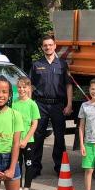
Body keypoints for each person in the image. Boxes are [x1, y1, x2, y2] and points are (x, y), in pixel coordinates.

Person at [29, 33, 73, 178]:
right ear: (42, 48)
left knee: (59, 137)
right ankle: (35, 168)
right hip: (40, 104)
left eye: (50, 45)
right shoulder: (37, 65)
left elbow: (68, 86)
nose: (48, 47)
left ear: (55, 46)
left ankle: (60, 167)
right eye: (45, 45)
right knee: (37, 136)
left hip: (58, 105)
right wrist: (30, 106)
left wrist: (69, 104)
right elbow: (30, 87)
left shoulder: (62, 64)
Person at [12, 76, 40, 190]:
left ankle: (26, 189)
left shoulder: (32, 104)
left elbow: (34, 124)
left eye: (24, 87)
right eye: (19, 87)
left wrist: (25, 140)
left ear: (29, 88)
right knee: (17, 164)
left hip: (28, 141)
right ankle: (17, 187)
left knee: (29, 165)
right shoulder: (13, 103)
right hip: (15, 141)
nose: (22, 89)